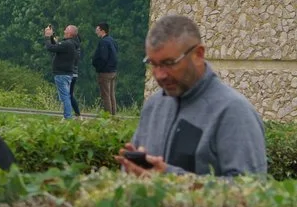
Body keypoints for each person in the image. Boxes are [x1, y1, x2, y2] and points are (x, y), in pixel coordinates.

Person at [121, 14, 267, 178]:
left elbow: (251, 188)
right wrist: (135, 169)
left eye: (169, 63)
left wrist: (171, 179)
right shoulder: (154, 106)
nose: (160, 75)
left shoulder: (233, 112)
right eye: (153, 64)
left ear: (198, 54)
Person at [42, 23, 81, 118]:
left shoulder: (67, 44)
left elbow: (50, 48)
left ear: (70, 33)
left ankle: (68, 117)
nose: (64, 31)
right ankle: (70, 116)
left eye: (66, 30)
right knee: (67, 96)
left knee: (65, 97)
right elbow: (57, 47)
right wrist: (51, 38)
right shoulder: (71, 44)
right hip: (66, 74)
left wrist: (47, 37)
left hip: (62, 74)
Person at [89, 23, 122, 115]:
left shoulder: (103, 42)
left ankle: (107, 115)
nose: (96, 32)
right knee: (111, 94)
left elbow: (103, 57)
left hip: (105, 72)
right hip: (113, 70)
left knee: (105, 95)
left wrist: (98, 66)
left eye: (97, 30)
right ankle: (113, 114)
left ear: (102, 30)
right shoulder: (112, 40)